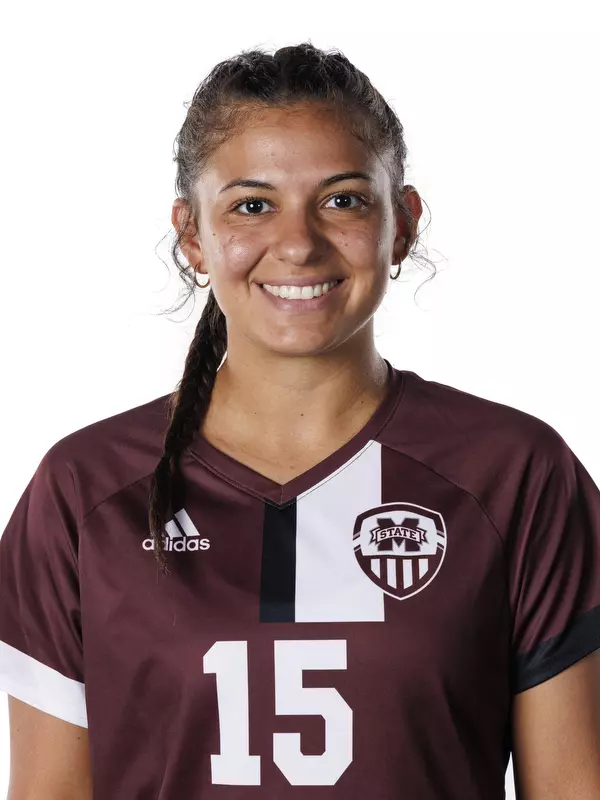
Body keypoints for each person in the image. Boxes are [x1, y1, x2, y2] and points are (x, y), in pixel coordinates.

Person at [1, 42, 599, 800]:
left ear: (403, 223)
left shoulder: (514, 474)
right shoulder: (84, 491)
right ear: (192, 234)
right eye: (252, 205)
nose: (297, 243)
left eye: (343, 199)